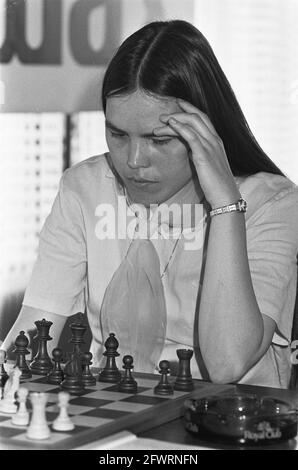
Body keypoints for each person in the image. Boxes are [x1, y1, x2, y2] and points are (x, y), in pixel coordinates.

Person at [2, 20, 298, 388]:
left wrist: (224, 204)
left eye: (159, 139)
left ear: (206, 130)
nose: (135, 161)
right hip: (117, 416)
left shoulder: (272, 201)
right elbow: (32, 331)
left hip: (230, 429)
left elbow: (227, 365)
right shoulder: (84, 188)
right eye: (118, 134)